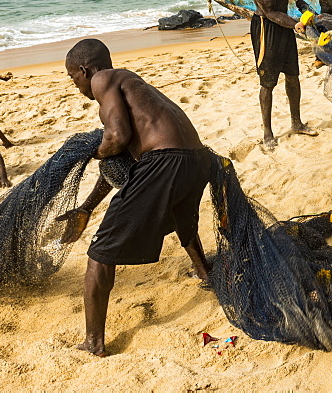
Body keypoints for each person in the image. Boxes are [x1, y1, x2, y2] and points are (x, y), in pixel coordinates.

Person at [56, 38, 215, 357]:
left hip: (166, 160)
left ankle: (94, 343)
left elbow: (116, 138)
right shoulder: (134, 84)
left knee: (100, 252)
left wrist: (94, 151)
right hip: (197, 159)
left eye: (72, 76)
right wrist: (87, 206)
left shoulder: (103, 79)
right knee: (183, 220)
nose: (74, 85)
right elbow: (121, 160)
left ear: (85, 70)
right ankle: (205, 273)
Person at [248, 0, 319, 150]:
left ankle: (296, 123)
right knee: (268, 83)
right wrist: (296, 24)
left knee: (293, 75)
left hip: (285, 25)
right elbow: (269, 12)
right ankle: (267, 132)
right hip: (267, 28)